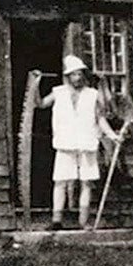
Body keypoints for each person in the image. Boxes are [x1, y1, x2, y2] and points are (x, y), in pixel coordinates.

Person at [39, 55, 120, 229]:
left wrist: (113, 135)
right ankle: (56, 221)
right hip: (65, 142)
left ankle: (84, 221)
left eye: (80, 74)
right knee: (60, 181)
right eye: (73, 74)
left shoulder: (93, 95)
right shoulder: (58, 92)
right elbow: (40, 104)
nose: (77, 77)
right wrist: (34, 85)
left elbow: (100, 119)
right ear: (68, 76)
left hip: (87, 142)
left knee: (86, 182)